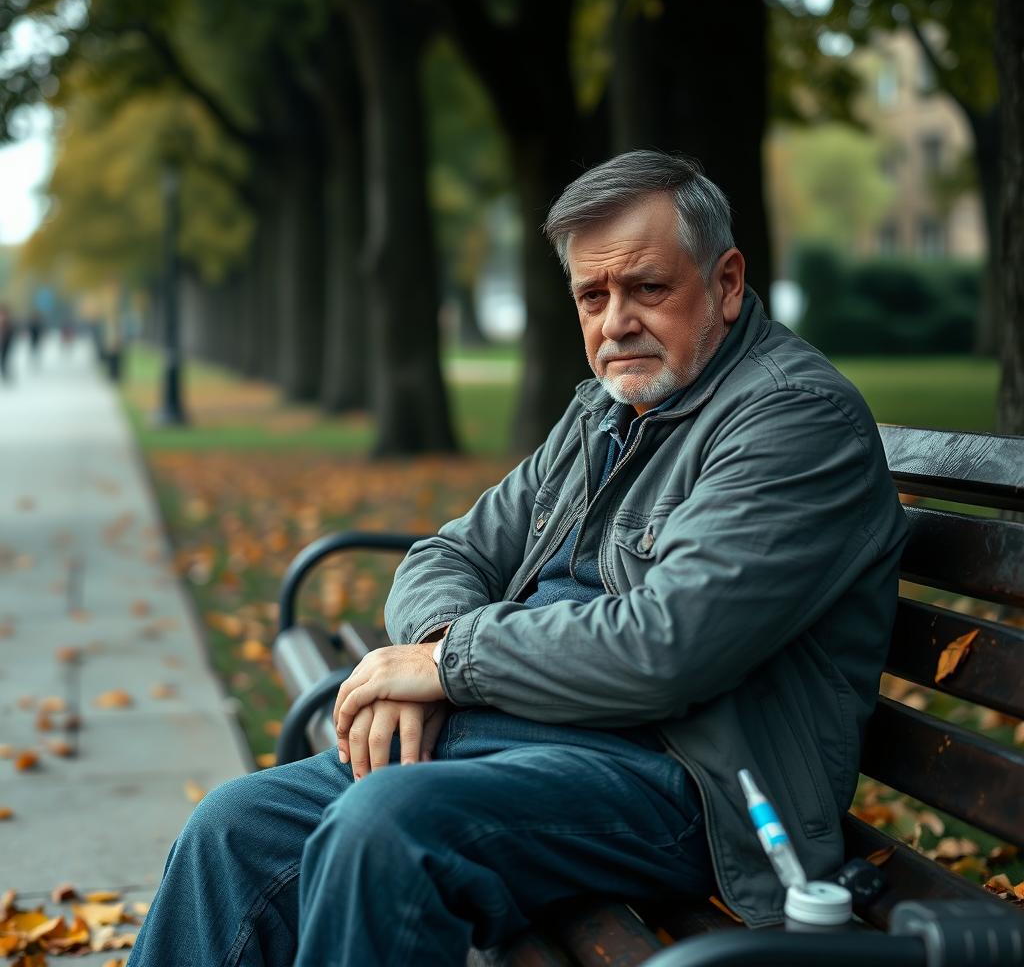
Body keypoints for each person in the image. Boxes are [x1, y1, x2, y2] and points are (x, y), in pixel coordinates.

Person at [128, 152, 908, 967]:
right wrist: (435, 648)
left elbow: (666, 646)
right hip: (522, 737)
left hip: (687, 786)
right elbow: (449, 551)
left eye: (648, 288)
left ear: (727, 282)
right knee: (232, 827)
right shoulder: (602, 412)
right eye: (592, 296)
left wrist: (449, 668)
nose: (615, 324)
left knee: (386, 830)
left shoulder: (790, 420)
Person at [0, 304, 14, 383]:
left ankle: (5, 374)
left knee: (4, 360)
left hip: (6, 345)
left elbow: (10, 335)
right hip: (3, 344)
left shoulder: (8, 324)